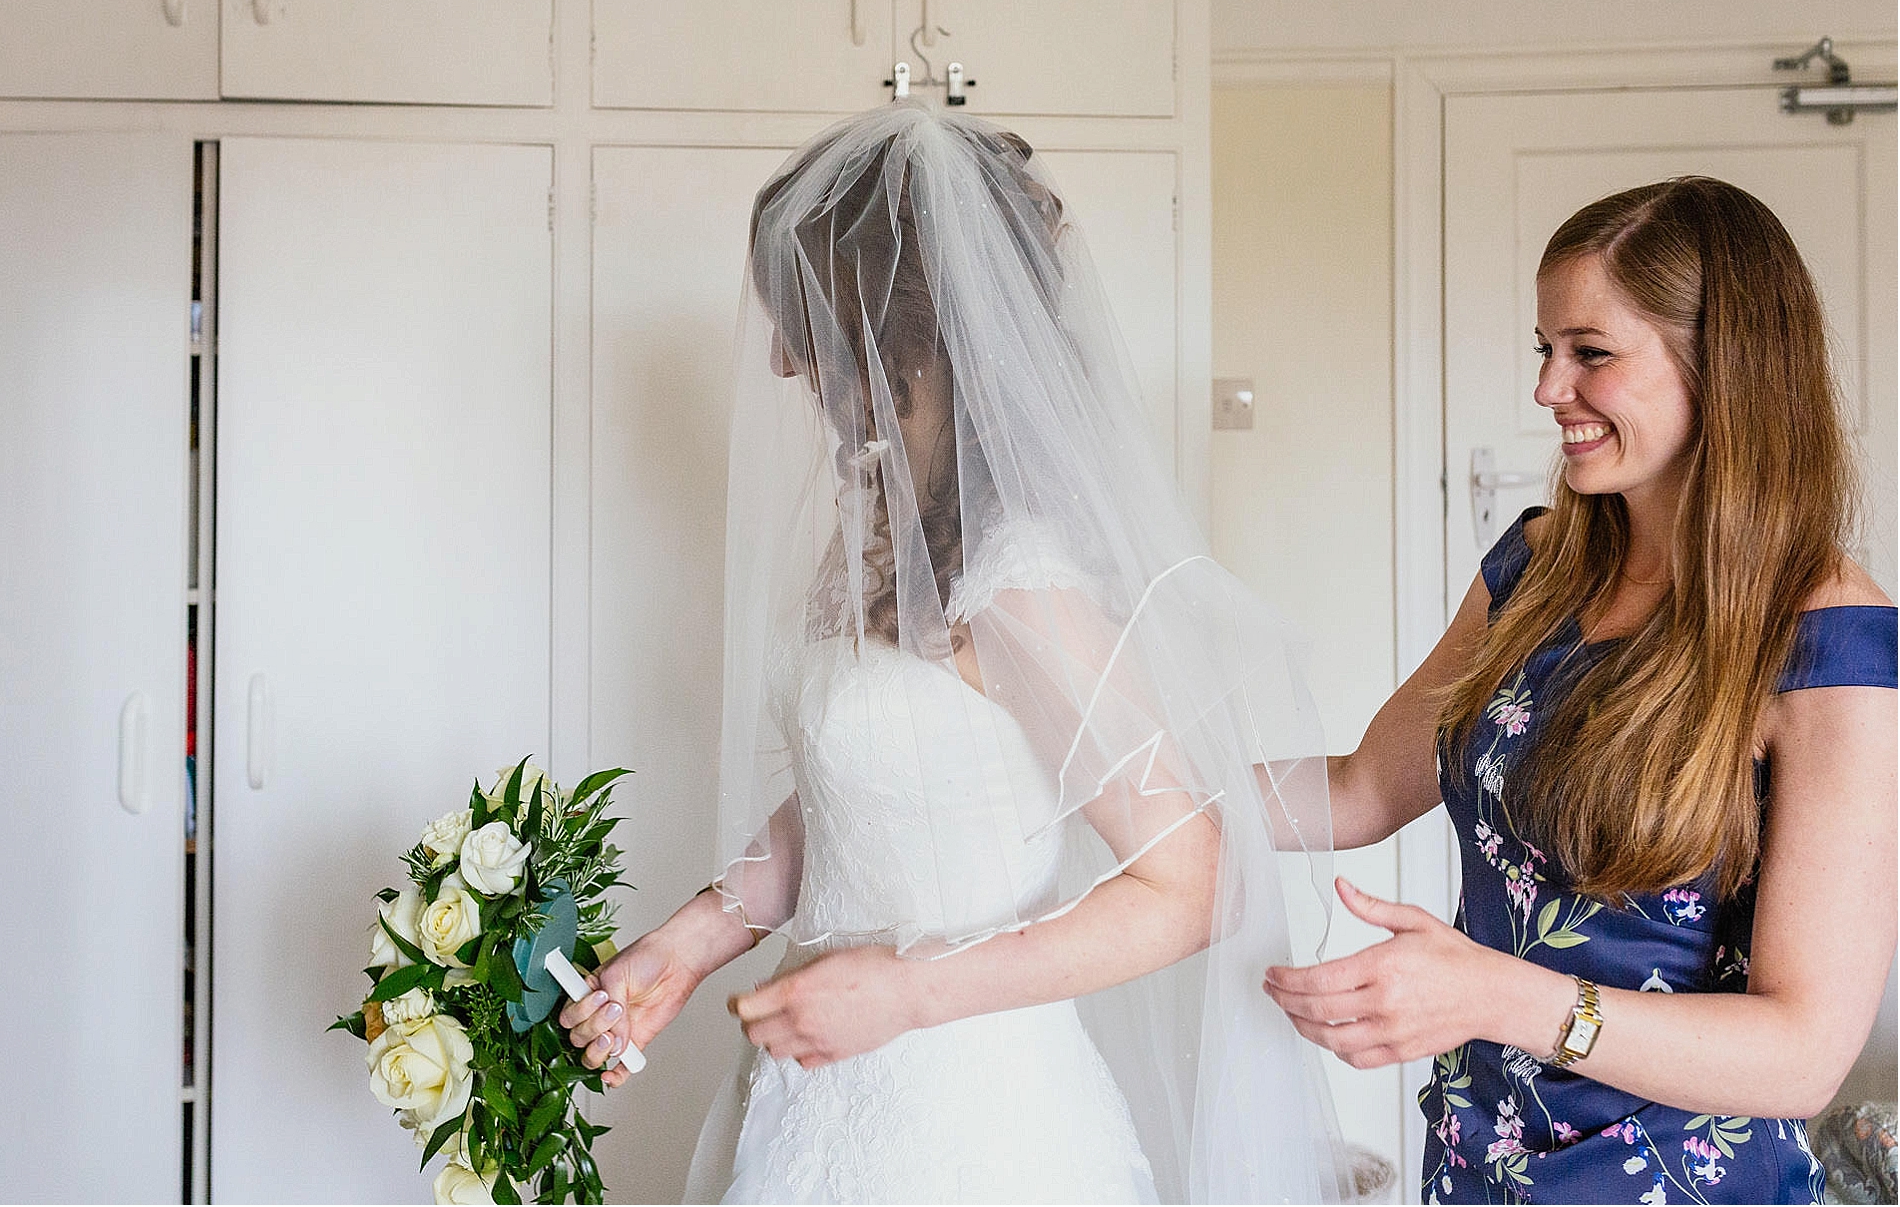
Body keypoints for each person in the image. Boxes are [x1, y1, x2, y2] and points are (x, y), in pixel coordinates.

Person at [560, 101, 1352, 1202]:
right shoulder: (889, 538)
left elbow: (1190, 881)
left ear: (895, 329)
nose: (788, 364)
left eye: (806, 320)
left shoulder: (1018, 581)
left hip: (969, 1131)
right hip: (817, 1098)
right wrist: (692, 938)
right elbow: (872, 789)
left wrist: (905, 992)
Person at [1260, 177, 1897, 1203]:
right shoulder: (1534, 565)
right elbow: (1355, 788)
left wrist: (1494, 994)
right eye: (1542, 349)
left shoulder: (1826, 640)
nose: (1547, 387)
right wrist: (1129, 788)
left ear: (1722, 367)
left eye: (1588, 353)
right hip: (1477, 1162)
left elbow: (1800, 1050)